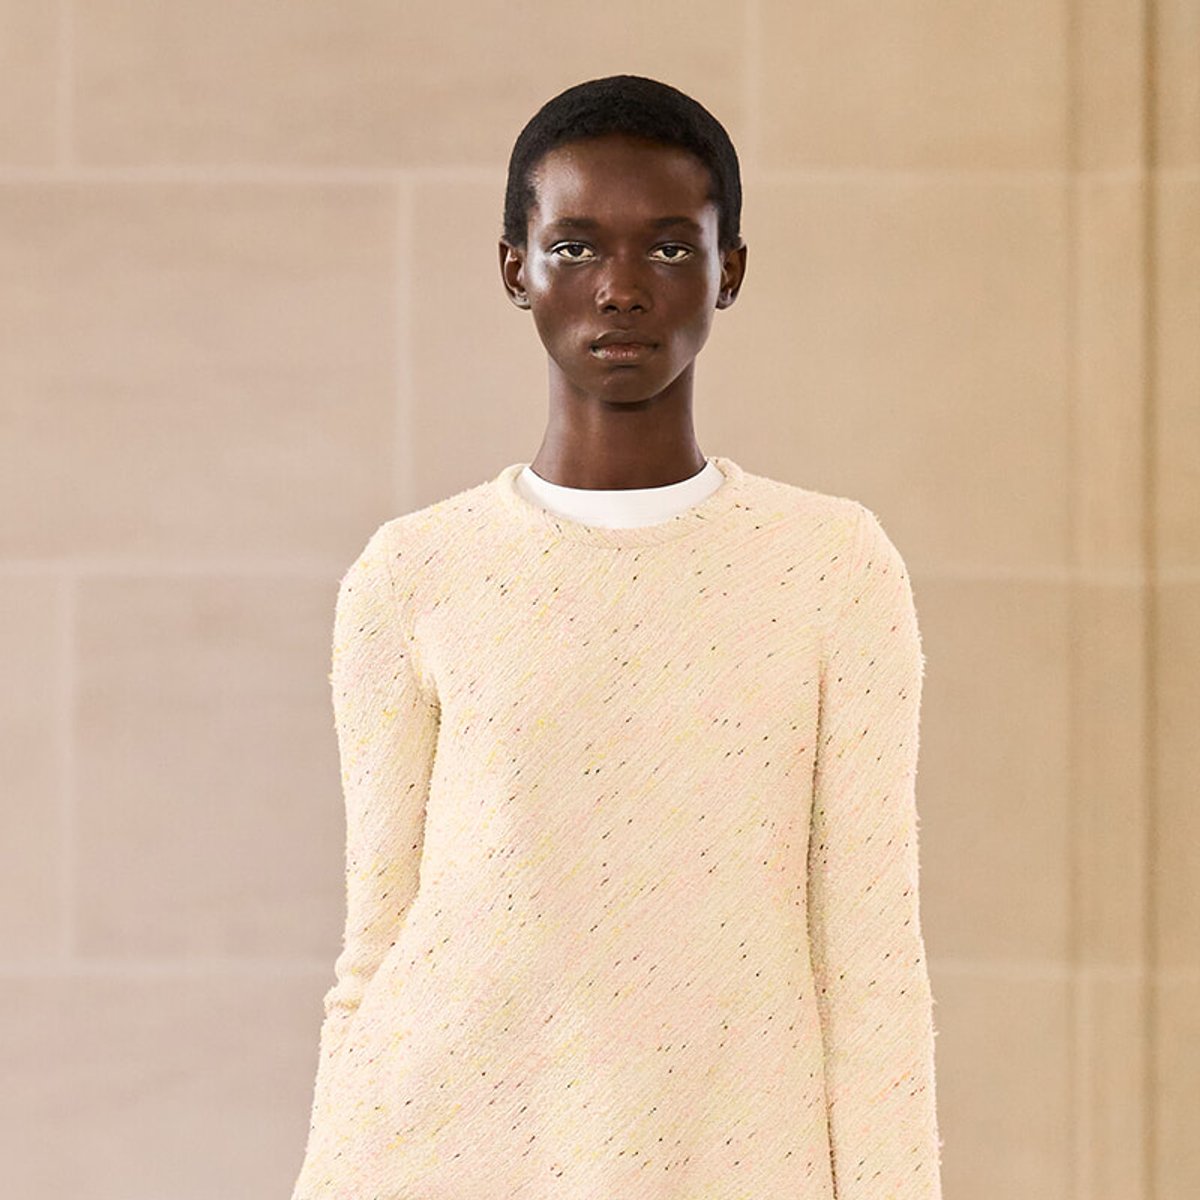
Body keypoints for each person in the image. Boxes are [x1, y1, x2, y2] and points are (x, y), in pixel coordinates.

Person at [290, 74, 943, 1199]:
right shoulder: (414, 575)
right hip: (446, 1149)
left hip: (736, 1153)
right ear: (516, 269)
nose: (623, 289)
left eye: (672, 249)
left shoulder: (833, 567)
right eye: (576, 247)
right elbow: (378, 941)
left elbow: (872, 953)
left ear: (730, 270)